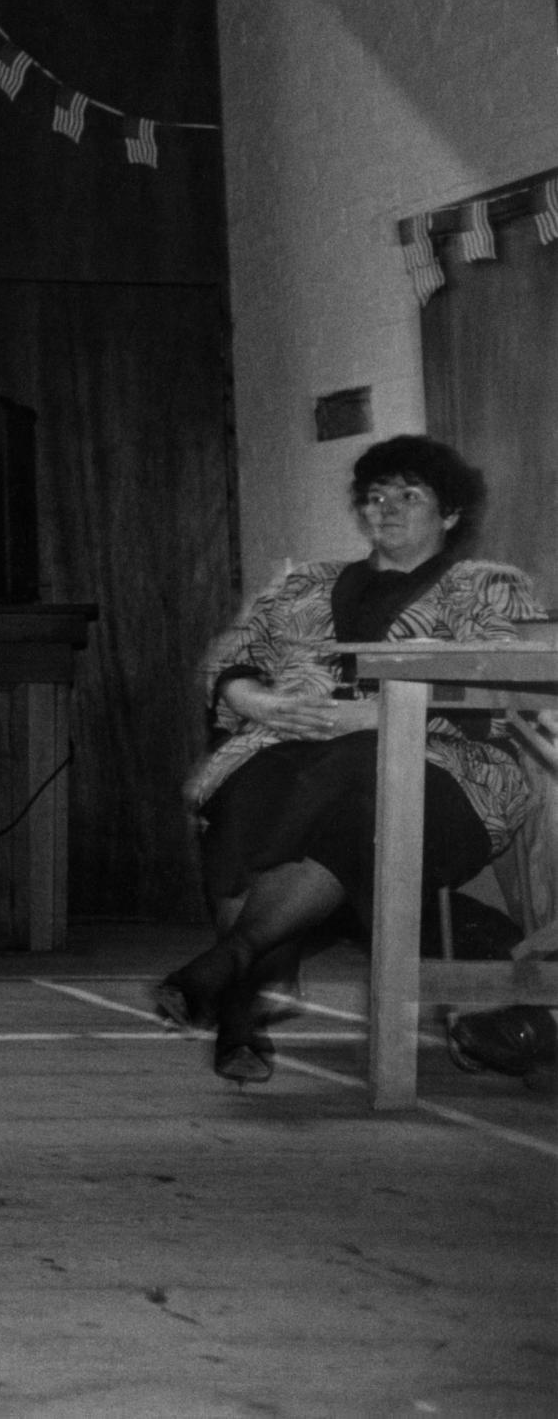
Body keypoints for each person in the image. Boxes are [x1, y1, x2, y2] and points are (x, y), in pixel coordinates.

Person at [159, 436, 542, 1083]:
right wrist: (258, 702)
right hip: (287, 751)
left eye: (409, 496)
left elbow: (506, 685)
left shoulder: (489, 586)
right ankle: (237, 978)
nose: (385, 509)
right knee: (250, 786)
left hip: (440, 764)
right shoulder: (303, 583)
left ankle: (236, 983)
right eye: (374, 497)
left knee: (355, 774)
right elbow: (232, 661)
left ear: (450, 513)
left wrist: (378, 716)